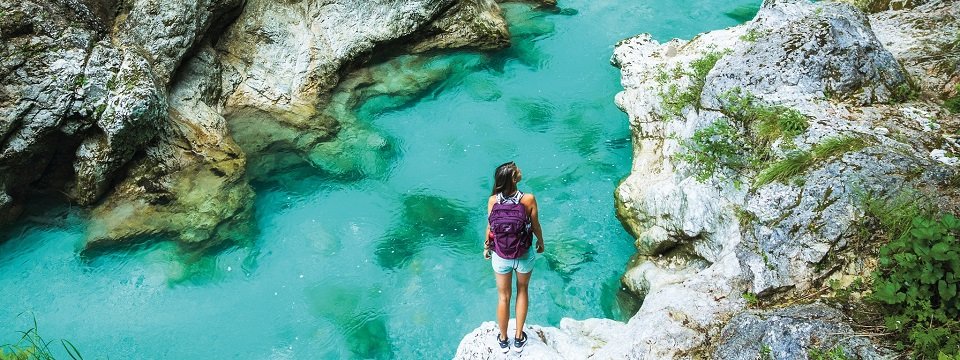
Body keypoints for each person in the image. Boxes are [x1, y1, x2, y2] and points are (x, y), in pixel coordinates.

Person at [483, 161, 544, 353]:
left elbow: (491, 227)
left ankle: (503, 340)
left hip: (501, 255)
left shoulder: (493, 200)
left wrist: (486, 247)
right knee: (523, 290)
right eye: (517, 169)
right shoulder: (528, 199)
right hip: (523, 254)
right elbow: (535, 226)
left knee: (503, 297)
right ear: (513, 178)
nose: (520, 170)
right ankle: (518, 339)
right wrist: (541, 242)